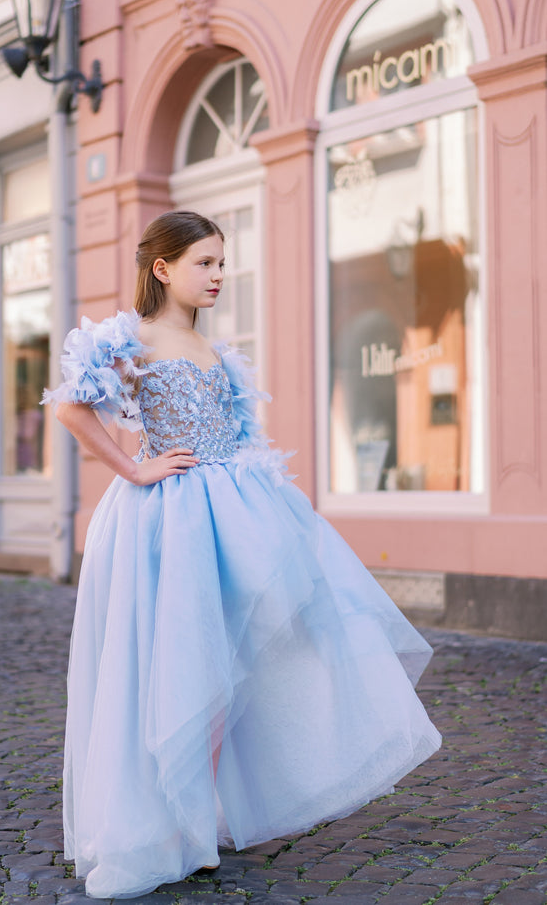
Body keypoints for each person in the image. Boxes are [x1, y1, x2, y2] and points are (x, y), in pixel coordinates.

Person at [43, 210, 441, 900]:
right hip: (169, 519)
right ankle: (170, 827)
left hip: (234, 515)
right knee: (172, 661)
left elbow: (234, 430)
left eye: (222, 263)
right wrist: (132, 469)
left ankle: (204, 815)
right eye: (204, 263)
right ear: (163, 268)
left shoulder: (214, 348)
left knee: (225, 662)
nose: (218, 275)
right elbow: (72, 409)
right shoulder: (131, 340)